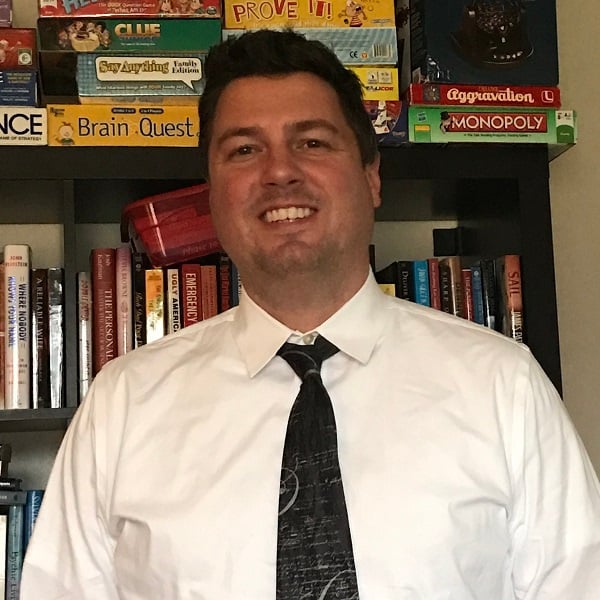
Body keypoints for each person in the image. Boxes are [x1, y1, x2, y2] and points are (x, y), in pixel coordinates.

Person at [21, 29, 600, 599]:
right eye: (244, 150)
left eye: (313, 142)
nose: (279, 172)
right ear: (213, 194)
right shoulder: (123, 405)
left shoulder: (503, 386)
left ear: (372, 177)